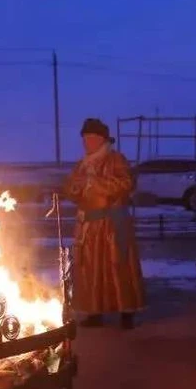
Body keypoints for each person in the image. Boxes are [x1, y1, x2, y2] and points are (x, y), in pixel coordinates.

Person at [63, 118, 144, 329]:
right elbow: (70, 189)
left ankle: (126, 312)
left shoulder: (115, 159)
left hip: (112, 225)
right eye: (84, 138)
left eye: (90, 138)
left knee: (118, 267)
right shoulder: (82, 164)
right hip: (89, 226)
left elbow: (127, 183)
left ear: (101, 139)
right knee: (91, 270)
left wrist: (95, 183)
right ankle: (94, 311)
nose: (86, 142)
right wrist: (77, 187)